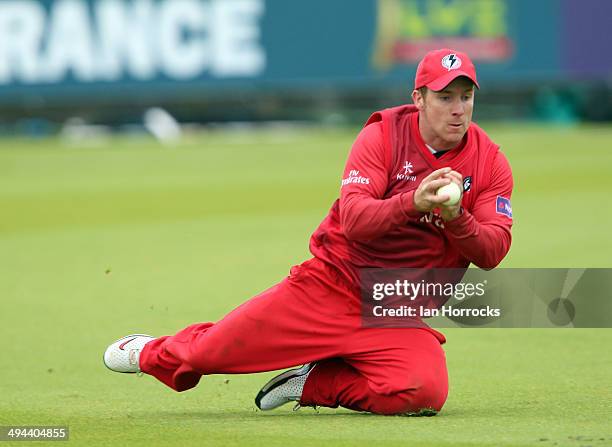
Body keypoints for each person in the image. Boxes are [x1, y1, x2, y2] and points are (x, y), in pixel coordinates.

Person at [103, 49, 513, 416]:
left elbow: (492, 251)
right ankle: (150, 352)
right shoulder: (383, 136)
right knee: (209, 353)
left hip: (394, 312)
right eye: (445, 97)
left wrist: (457, 215)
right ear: (418, 99)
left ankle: (311, 381)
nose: (458, 109)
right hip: (331, 286)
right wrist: (413, 202)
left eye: (466, 97)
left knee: (423, 392)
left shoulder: (489, 161)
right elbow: (355, 219)